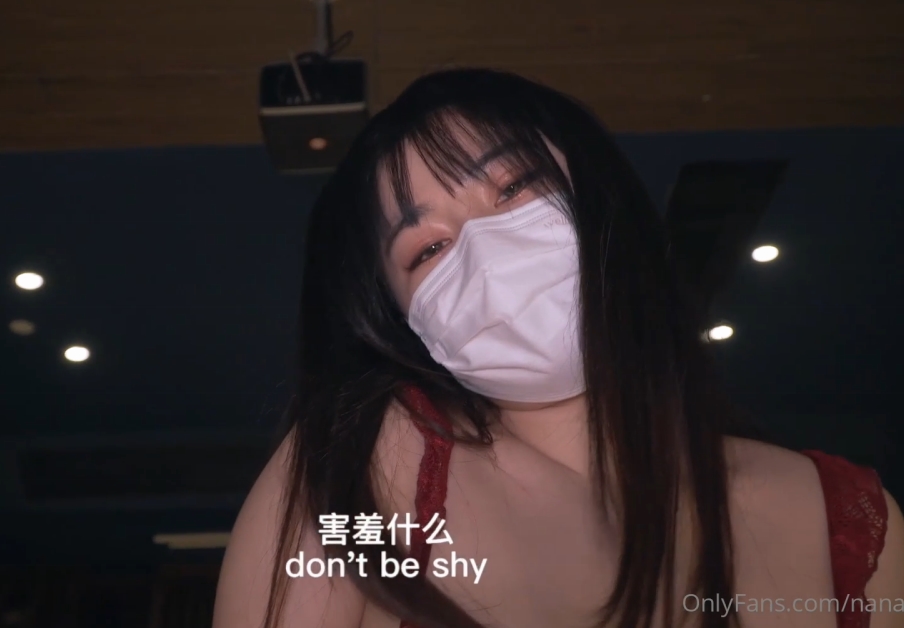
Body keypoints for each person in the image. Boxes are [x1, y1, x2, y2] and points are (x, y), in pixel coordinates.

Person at [212, 69, 904, 628]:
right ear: (405, 327)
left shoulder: (839, 515)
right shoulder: (361, 469)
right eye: (427, 250)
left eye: (514, 186)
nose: (486, 250)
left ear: (600, 191)